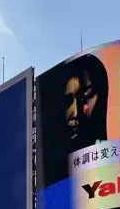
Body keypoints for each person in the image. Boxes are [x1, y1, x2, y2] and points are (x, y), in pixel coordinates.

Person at [39, 53, 109, 187]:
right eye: (67, 101)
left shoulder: (115, 159)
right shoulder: (49, 176)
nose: (75, 112)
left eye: (86, 97)